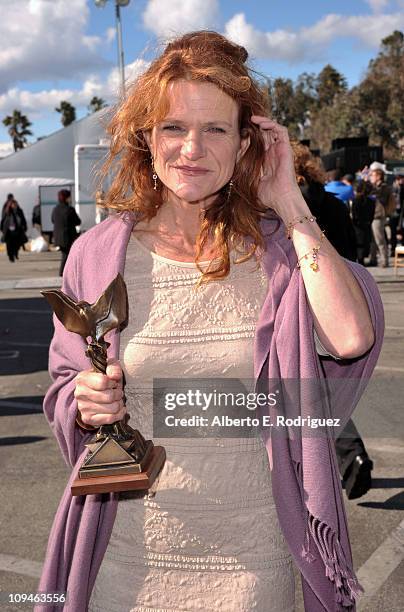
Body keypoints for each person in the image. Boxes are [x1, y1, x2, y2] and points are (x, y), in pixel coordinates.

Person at [38, 31, 384, 612]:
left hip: (254, 562)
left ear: (247, 141)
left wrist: (291, 205)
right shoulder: (96, 255)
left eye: (216, 129)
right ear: (145, 140)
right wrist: (85, 398)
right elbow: (63, 387)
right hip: (125, 559)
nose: (191, 148)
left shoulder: (282, 253)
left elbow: (350, 338)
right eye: (173, 127)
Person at [293, 143, 374, 499]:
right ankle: (347, 457)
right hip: (342, 303)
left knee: (308, 389)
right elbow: (353, 258)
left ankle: (347, 457)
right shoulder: (334, 203)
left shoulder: (286, 204)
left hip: (302, 305)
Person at [51, 189, 81, 276]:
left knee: (65, 254)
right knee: (66, 255)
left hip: (58, 237)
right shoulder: (70, 209)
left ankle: (65, 272)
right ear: (67, 198)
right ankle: (63, 273)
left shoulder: (55, 209)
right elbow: (78, 221)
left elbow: (52, 220)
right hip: (68, 237)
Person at [368, 167, 392, 267]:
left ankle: (384, 260)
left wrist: (373, 191)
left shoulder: (384, 187)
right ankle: (373, 259)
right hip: (372, 215)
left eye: (372, 175)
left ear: (378, 176)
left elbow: (382, 199)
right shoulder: (372, 186)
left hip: (378, 216)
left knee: (380, 240)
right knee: (373, 240)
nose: (371, 177)